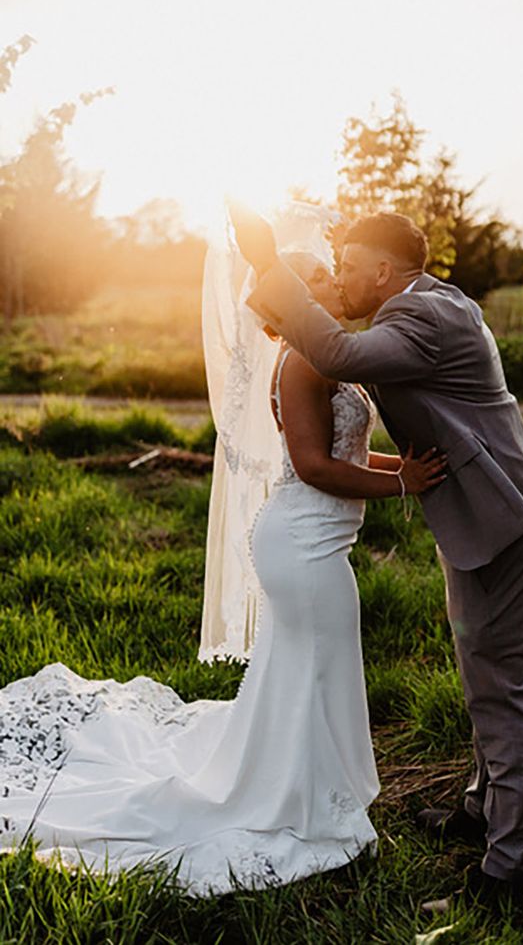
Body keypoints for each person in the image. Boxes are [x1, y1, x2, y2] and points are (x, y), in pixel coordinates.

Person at [0, 204, 444, 895]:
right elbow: (314, 467)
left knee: (311, 669)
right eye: (320, 277)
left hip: (314, 539)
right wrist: (405, 488)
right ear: (294, 297)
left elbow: (348, 451)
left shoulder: (325, 358)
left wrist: (405, 470)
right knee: (316, 665)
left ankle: (310, 788)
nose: (332, 286)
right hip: (302, 542)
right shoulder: (301, 363)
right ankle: (298, 802)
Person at [230, 203, 523, 910]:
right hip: (481, 519)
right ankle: (481, 808)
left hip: (500, 524)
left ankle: (509, 870)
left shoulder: (422, 319)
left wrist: (268, 265)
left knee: (502, 688)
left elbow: (341, 356)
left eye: (348, 267)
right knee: (485, 674)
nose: (341, 278)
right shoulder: (430, 299)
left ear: (385, 271)